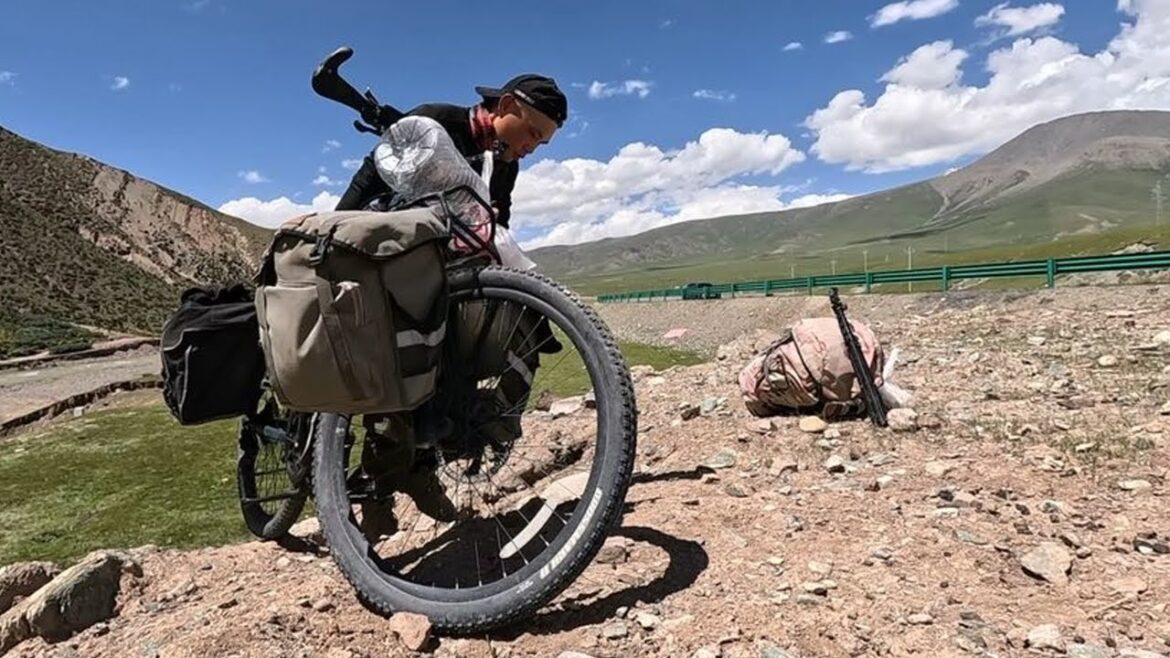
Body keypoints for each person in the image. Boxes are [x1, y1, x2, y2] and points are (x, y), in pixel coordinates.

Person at [335, 73, 568, 542]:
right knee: (400, 364)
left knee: (467, 355)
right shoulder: (438, 121)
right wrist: (340, 225)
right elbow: (374, 171)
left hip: (450, 274)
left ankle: (433, 458)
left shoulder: (504, 164)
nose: (532, 147)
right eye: (531, 133)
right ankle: (376, 490)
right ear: (505, 106)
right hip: (396, 259)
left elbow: (494, 219)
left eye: (541, 142)